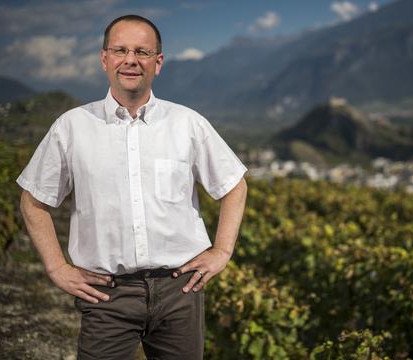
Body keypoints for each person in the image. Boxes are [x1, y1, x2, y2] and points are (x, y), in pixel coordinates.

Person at [18, 14, 248, 359]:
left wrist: (222, 251)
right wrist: (56, 267)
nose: (130, 60)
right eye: (121, 50)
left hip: (180, 290)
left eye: (142, 52)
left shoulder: (188, 124)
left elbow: (234, 186)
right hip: (106, 295)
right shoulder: (72, 127)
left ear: (158, 63)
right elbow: (33, 201)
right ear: (104, 58)